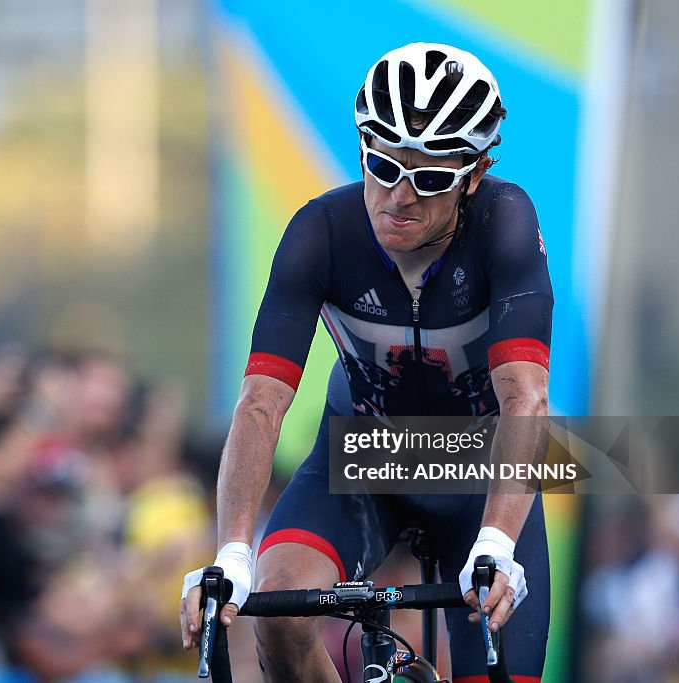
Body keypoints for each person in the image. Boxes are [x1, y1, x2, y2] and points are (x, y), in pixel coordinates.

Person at [180, 43, 553, 682]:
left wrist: (496, 540)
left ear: (473, 176)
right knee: (280, 611)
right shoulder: (320, 231)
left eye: (430, 179)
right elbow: (261, 401)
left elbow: (526, 396)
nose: (399, 196)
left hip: (479, 466)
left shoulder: (504, 220)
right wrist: (233, 552)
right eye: (382, 166)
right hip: (362, 455)